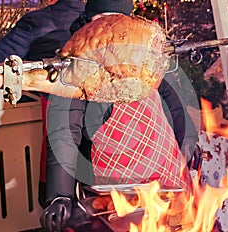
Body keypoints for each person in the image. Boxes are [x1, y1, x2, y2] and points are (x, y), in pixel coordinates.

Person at [40, 0, 201, 231]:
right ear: (89, 24)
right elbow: (64, 132)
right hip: (112, 187)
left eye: (116, 21)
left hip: (164, 172)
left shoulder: (145, 58)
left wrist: (188, 138)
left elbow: (174, 101)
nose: (110, 31)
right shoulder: (78, 64)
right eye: (101, 21)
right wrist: (60, 195)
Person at [0, 0, 85, 209]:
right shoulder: (101, 24)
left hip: (60, 121)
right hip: (104, 129)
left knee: (57, 197)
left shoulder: (38, 22)